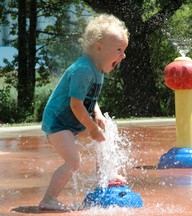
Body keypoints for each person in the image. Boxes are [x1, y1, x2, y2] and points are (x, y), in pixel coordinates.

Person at [39, 14, 129, 211]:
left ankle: (105, 175)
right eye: (119, 50)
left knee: (103, 135)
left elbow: (90, 99)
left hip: (73, 120)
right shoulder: (84, 70)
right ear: (99, 48)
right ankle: (48, 199)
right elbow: (76, 105)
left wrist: (96, 115)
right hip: (59, 122)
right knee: (74, 162)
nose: (123, 55)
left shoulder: (98, 70)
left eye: (124, 50)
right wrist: (92, 128)